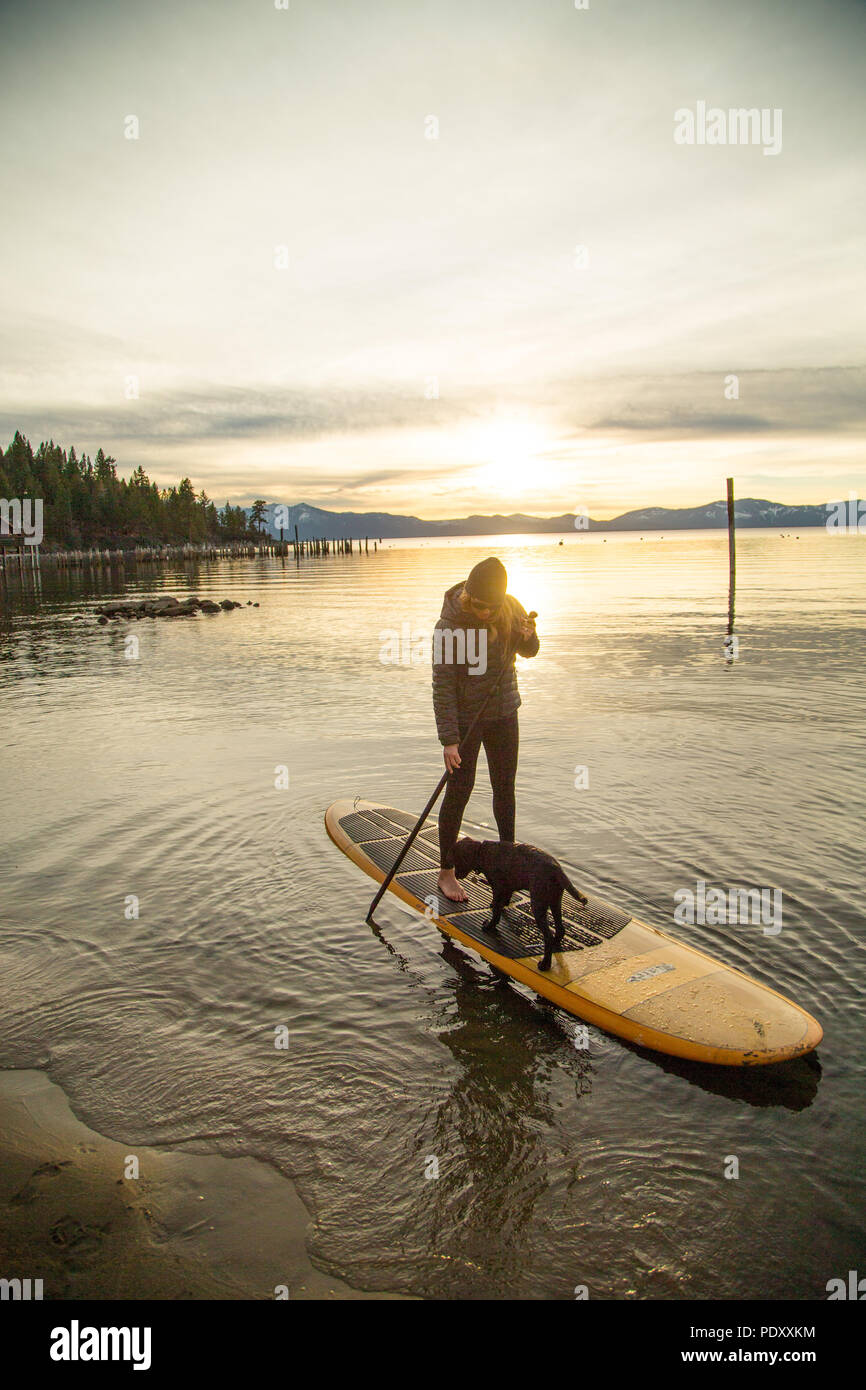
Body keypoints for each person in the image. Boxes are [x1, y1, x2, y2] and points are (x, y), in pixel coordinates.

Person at [432, 557, 539, 902]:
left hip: (504, 712)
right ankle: (446, 872)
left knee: (504, 788)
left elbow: (530, 651)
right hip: (467, 720)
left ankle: (507, 864)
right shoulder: (449, 627)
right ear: (467, 597)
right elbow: (443, 685)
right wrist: (449, 740)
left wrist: (528, 636)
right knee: (459, 790)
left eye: (490, 608)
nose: (484, 614)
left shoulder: (509, 608)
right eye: (478, 606)